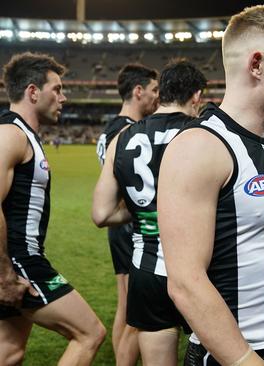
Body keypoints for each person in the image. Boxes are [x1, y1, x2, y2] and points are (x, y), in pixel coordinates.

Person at [158, 5, 264, 366]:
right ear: (256, 64)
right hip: (241, 355)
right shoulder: (199, 147)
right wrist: (244, 359)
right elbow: (185, 283)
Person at [92, 59, 206, 365]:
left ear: (162, 93)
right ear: (195, 96)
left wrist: (143, 212)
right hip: (200, 268)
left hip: (146, 267)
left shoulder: (123, 138)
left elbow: (101, 214)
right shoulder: (204, 132)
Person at [0, 52, 106, 365]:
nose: (64, 97)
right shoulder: (11, 135)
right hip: (19, 260)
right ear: (33, 92)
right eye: (57, 89)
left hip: (17, 259)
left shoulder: (22, 135)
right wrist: (5, 274)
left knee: (9, 353)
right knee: (89, 333)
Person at [95, 62, 159, 365]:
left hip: (120, 226)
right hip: (131, 223)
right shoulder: (128, 131)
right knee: (137, 313)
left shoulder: (111, 127)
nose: (157, 97)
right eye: (154, 90)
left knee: (126, 305)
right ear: (138, 91)